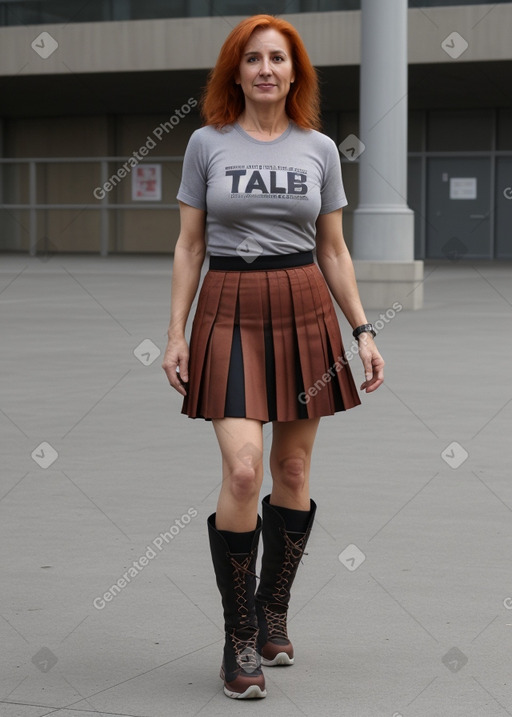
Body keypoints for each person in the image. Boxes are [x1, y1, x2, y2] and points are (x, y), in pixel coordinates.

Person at [162, 14, 384, 700]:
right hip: (228, 306)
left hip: (304, 305)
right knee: (242, 468)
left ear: (295, 73)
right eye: (252, 58)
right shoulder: (207, 143)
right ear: (237, 71)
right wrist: (175, 332)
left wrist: (363, 330)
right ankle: (239, 638)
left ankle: (274, 607)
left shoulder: (318, 148)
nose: (265, 68)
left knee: (290, 468)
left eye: (277, 59)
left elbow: (334, 249)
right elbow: (190, 246)